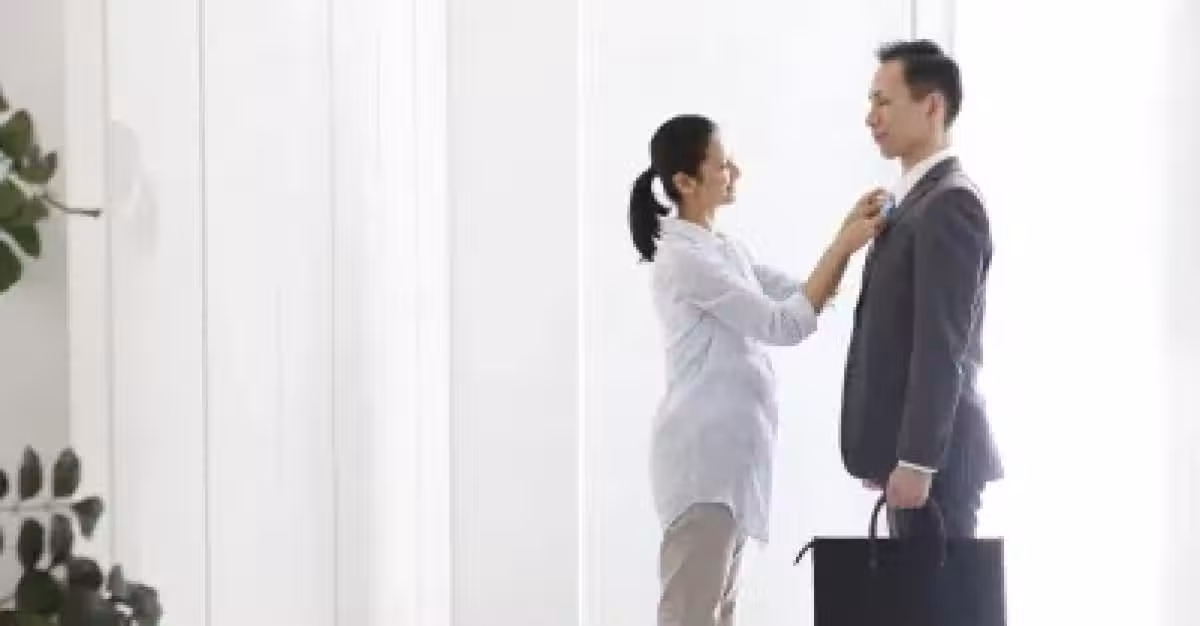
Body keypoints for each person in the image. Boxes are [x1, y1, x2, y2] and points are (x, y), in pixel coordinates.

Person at [628, 113, 884, 626]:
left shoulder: (725, 249)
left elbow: (802, 294)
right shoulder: (685, 260)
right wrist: (842, 245)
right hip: (704, 467)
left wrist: (845, 236)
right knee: (691, 615)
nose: (736, 172)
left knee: (719, 613)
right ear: (685, 182)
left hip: (730, 468)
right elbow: (784, 324)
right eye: (723, 164)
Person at [841, 39, 1003, 541]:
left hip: (942, 466)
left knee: (939, 589)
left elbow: (941, 344)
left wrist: (916, 460)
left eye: (883, 102)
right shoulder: (915, 201)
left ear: (932, 106)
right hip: (918, 462)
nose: (871, 117)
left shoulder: (950, 203)